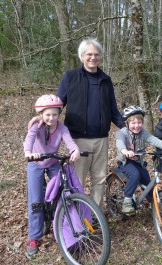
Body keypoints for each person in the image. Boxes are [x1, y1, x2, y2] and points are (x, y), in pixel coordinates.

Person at [29, 38, 125, 208]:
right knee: (77, 181)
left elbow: (113, 110)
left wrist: (127, 129)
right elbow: (58, 104)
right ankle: (78, 218)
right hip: (78, 140)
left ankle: (95, 217)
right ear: (82, 56)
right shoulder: (70, 77)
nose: (93, 57)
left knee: (99, 180)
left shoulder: (106, 80)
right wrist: (41, 118)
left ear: (100, 57)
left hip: (102, 139)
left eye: (96, 54)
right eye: (89, 54)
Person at [24, 94, 80, 257]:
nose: (51, 118)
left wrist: (74, 150)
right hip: (36, 163)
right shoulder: (37, 125)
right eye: (47, 114)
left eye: (54, 114)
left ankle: (63, 227)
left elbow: (69, 141)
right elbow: (30, 139)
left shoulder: (62, 127)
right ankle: (34, 237)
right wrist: (28, 152)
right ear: (41, 115)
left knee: (63, 193)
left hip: (53, 162)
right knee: (35, 201)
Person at [116, 105, 162, 214]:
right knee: (135, 175)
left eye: (139, 122)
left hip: (138, 162)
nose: (137, 126)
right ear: (127, 123)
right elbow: (119, 143)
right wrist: (125, 151)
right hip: (125, 162)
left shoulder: (143, 133)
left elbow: (155, 140)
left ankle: (153, 203)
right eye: (133, 123)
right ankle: (127, 201)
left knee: (147, 181)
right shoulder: (122, 133)